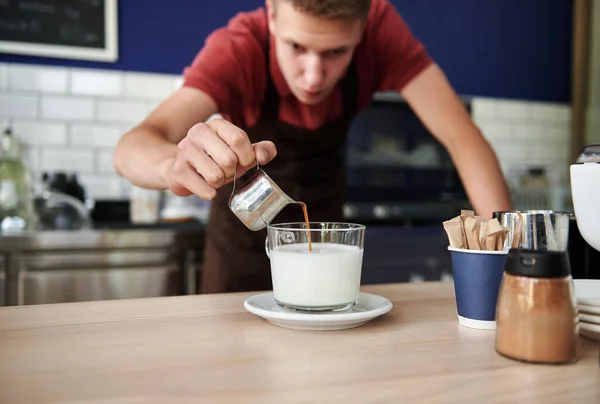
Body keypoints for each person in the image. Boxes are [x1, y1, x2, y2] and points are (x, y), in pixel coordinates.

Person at [113, 0, 513, 294]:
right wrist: (171, 167)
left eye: (337, 52)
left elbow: (462, 138)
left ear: (364, 28)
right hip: (240, 246)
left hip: (325, 235)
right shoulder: (238, 48)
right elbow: (133, 146)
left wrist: (508, 256)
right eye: (296, 47)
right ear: (271, 13)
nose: (313, 77)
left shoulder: (383, 30)